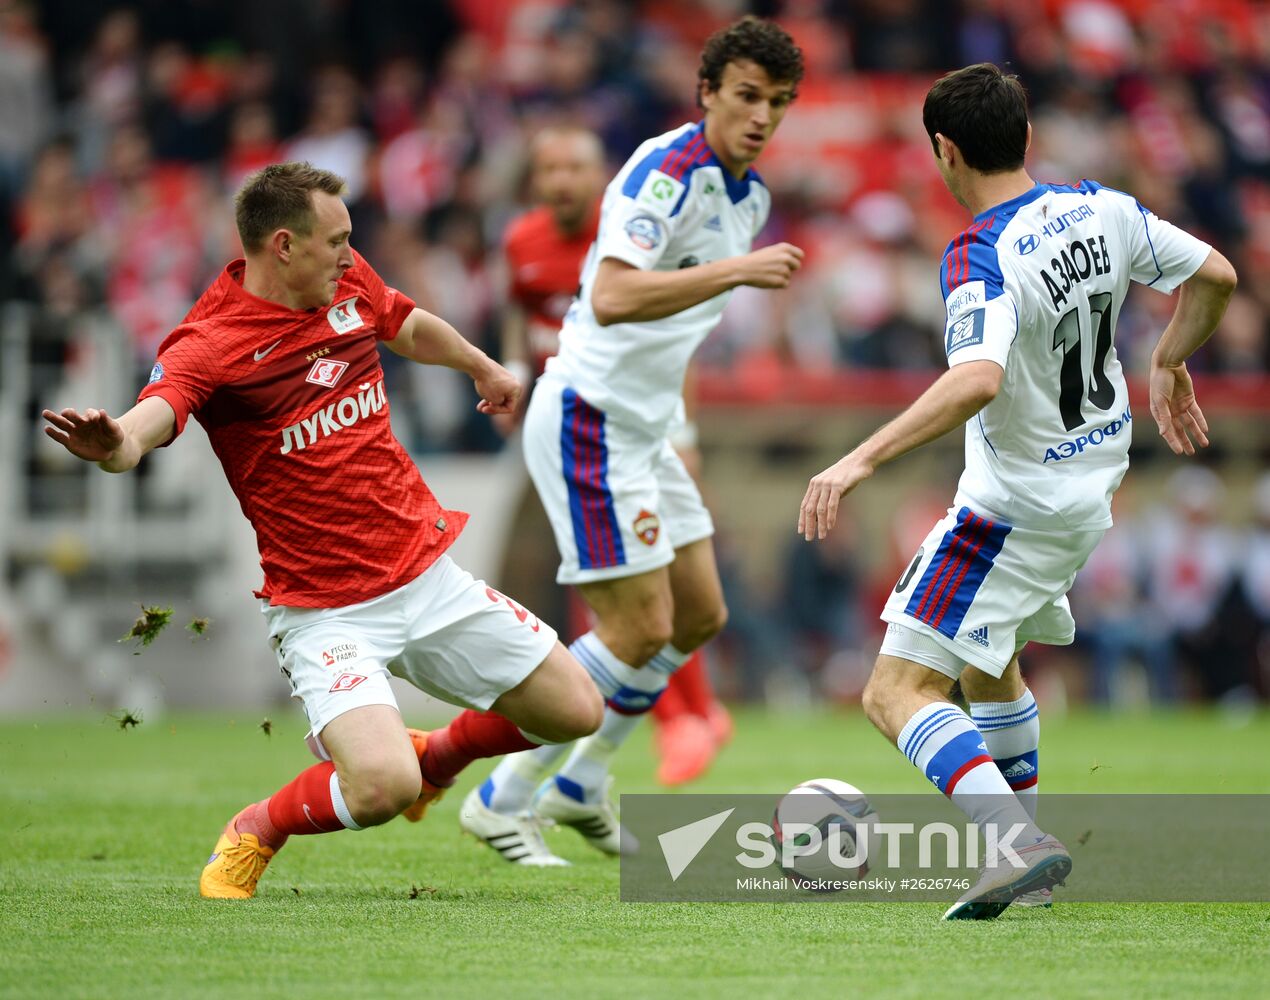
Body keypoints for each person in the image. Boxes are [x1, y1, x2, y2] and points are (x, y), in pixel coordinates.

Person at [42, 162, 602, 897]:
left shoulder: (345, 279)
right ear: (282, 244)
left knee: (575, 709)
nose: (350, 250)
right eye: (336, 239)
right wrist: (115, 442)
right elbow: (153, 420)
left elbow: (401, 320)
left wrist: (478, 363)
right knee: (379, 791)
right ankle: (258, 828)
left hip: (425, 575)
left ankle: (435, 761)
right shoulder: (211, 342)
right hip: (326, 611)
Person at [797, 63, 1235, 921]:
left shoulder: (978, 252)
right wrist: (1171, 357)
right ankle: (1022, 867)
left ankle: (1017, 844)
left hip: (1012, 507)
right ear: (1027, 139)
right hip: (1091, 484)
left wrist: (859, 459)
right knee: (992, 665)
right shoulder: (1101, 205)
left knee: (894, 692)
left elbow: (976, 380)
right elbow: (1215, 274)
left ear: (944, 152)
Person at [461, 15, 805, 862]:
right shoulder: (666, 171)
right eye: (748, 97)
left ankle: (582, 783)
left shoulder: (748, 194)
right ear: (709, 94)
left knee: (699, 614)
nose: (762, 117)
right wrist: (735, 270)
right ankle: (499, 795)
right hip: (589, 415)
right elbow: (612, 296)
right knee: (636, 629)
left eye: (780, 103)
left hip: (645, 427)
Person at [497, 126, 732, 814]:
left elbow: (676, 341)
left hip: (631, 423)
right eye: (550, 167)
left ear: (602, 176)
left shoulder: (630, 234)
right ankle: (665, 725)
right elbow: (521, 311)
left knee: (676, 597)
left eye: (576, 166)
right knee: (611, 593)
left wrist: (684, 431)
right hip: (565, 420)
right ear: (535, 179)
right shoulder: (521, 243)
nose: (563, 180)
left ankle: (686, 716)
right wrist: (512, 371)